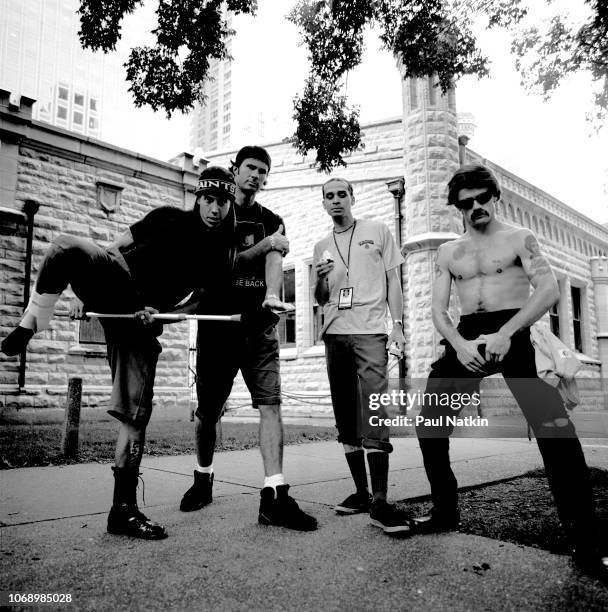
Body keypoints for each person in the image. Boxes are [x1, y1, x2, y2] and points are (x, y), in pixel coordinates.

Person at [1, 166, 238, 541]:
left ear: (230, 203)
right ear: (198, 197)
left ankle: (123, 510)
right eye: (208, 199)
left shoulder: (220, 254)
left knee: (134, 415)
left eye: (222, 201)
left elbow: (195, 306)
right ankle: (33, 320)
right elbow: (113, 248)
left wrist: (163, 316)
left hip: (143, 320)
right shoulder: (167, 218)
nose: (214, 208)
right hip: (117, 281)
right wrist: (85, 295)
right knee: (65, 247)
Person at [414, 164, 608, 579]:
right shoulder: (450, 252)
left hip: (513, 331)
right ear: (457, 208)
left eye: (482, 198)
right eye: (466, 203)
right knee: (430, 422)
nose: (476, 207)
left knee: (555, 429)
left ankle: (585, 536)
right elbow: (437, 309)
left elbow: (550, 290)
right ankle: (445, 511)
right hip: (467, 336)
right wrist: (461, 346)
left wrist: (506, 334)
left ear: (494, 196)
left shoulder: (520, 238)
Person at [179, 146, 317, 531]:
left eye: (262, 171)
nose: (256, 176)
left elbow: (274, 251)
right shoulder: (216, 212)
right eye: (250, 168)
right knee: (208, 413)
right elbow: (220, 270)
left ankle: (274, 494)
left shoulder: (272, 219)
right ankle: (202, 478)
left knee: (270, 405)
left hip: (259, 329)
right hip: (219, 330)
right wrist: (267, 245)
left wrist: (273, 246)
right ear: (236, 171)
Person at [312, 177, 411, 535]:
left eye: (341, 194)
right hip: (335, 334)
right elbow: (321, 298)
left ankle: (381, 501)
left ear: (352, 197)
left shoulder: (378, 230)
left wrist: (398, 326)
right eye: (329, 196)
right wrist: (321, 278)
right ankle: (360, 492)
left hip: (370, 329)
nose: (336, 200)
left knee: (373, 404)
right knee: (344, 410)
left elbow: (394, 282)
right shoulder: (321, 245)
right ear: (323, 203)